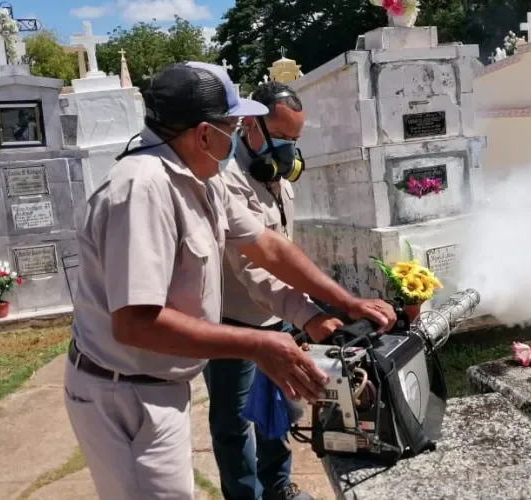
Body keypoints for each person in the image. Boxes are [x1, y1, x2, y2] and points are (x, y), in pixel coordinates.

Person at [63, 62, 397, 500]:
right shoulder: (142, 189)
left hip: (155, 385)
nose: (236, 135)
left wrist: (345, 301)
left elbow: (267, 246)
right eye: (232, 125)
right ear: (204, 133)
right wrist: (256, 345)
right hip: (124, 394)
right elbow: (134, 324)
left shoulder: (201, 176)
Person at [207, 81, 332, 500]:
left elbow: (284, 247)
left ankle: (278, 488)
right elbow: (252, 267)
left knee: (278, 406)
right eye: (281, 137)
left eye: (294, 140)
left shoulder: (275, 171)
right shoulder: (225, 180)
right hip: (234, 321)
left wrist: (305, 306)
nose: (289, 150)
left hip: (279, 315)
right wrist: (310, 314)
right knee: (233, 422)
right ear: (250, 125)